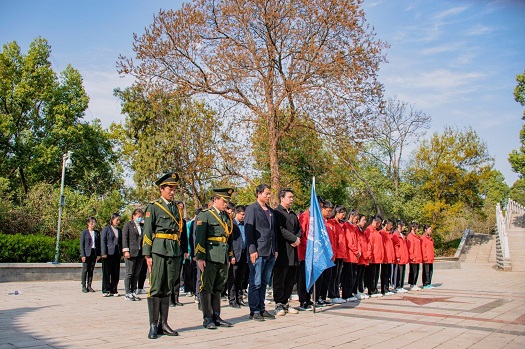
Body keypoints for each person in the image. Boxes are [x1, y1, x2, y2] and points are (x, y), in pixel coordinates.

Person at [142, 172, 186, 339]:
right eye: (169, 188)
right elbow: (147, 232)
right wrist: (147, 254)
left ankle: (164, 323)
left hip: (173, 250)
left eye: (174, 189)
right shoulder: (153, 207)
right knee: (156, 287)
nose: (172, 192)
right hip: (159, 250)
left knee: (168, 287)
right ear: (161, 189)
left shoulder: (176, 208)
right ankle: (153, 324)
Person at [195, 188, 235, 329]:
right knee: (206, 287)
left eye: (227, 201)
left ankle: (216, 316)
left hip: (222, 256)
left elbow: (228, 238)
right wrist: (200, 257)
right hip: (210, 255)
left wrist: (229, 256)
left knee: (218, 287)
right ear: (216, 199)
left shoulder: (226, 216)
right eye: (224, 201)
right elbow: (199, 237)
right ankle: (207, 318)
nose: (226, 204)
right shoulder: (205, 215)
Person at [244, 184, 278, 321]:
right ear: (258, 193)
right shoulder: (252, 209)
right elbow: (249, 231)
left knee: (264, 282)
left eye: (269, 194)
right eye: (266, 194)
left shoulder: (270, 211)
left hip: (269, 251)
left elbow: (273, 232)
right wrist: (252, 249)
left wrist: (275, 249)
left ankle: (262, 308)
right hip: (258, 251)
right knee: (256, 281)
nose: (268, 196)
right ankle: (254, 310)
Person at [273, 188, 302, 316]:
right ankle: (278, 303)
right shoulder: (276, 213)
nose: (292, 199)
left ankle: (286, 302)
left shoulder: (293, 214)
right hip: (283, 250)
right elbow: (279, 230)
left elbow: (299, 229)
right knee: (280, 277)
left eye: (292, 197)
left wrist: (297, 238)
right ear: (282, 198)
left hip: (294, 250)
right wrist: (293, 238)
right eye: (289, 197)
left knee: (290, 278)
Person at [122, 208, 145, 301]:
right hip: (131, 252)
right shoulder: (128, 225)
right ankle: (128, 292)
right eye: (138, 216)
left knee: (136, 273)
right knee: (129, 273)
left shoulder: (142, 226)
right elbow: (125, 238)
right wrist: (126, 250)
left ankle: (133, 291)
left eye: (141, 216)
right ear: (133, 216)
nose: (140, 218)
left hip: (140, 252)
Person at [228, 205, 248, 308]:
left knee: (241, 278)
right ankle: (232, 300)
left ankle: (239, 298)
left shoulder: (245, 224)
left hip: (244, 254)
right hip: (235, 254)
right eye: (242, 214)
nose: (244, 216)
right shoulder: (232, 224)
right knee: (233, 278)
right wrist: (231, 255)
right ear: (237, 213)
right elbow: (229, 241)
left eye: (245, 214)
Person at [170, 201, 188, 307]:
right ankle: (169, 299)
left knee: (177, 275)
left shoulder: (183, 222)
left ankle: (176, 298)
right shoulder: (172, 219)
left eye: (182, 208)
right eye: (179, 207)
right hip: (171, 250)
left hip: (179, 250)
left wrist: (185, 250)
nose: (180, 209)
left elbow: (185, 237)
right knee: (171, 276)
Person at [329, 205, 347, 304]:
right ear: (336, 213)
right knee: (334, 275)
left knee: (338, 275)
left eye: (344, 214)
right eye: (342, 213)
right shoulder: (332, 223)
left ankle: (336, 294)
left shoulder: (342, 224)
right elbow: (334, 239)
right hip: (335, 253)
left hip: (341, 253)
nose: (343, 215)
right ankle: (332, 294)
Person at [101, 213, 122, 297]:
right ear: (112, 220)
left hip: (116, 253)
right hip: (108, 253)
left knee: (115, 272)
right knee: (106, 272)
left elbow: (121, 242)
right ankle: (106, 290)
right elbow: (103, 241)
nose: (118, 221)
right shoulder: (106, 229)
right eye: (117, 220)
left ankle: (114, 289)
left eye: (119, 220)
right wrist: (103, 252)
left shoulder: (119, 230)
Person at [342, 210, 360, 302]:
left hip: (354, 257)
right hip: (349, 256)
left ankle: (350, 293)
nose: (357, 221)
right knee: (348, 276)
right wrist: (356, 251)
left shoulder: (353, 227)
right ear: (351, 216)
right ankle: (346, 294)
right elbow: (350, 242)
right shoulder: (347, 226)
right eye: (356, 219)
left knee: (353, 275)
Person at [80, 217, 101, 293]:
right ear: (88, 223)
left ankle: (89, 285)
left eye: (94, 222)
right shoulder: (84, 232)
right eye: (91, 222)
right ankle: (83, 286)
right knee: (85, 270)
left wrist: (98, 254)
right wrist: (83, 255)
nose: (93, 224)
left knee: (91, 270)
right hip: (87, 253)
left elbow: (98, 244)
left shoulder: (97, 233)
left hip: (94, 252)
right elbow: (82, 244)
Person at [365, 215, 383, 298]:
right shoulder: (369, 230)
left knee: (376, 274)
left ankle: (374, 288)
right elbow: (369, 244)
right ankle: (371, 289)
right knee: (371, 275)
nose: (378, 225)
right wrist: (369, 256)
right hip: (373, 257)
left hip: (378, 256)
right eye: (378, 223)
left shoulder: (376, 231)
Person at [354, 214, 371, 300]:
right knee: (357, 275)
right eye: (363, 220)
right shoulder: (356, 230)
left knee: (361, 275)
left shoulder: (362, 231)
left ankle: (360, 290)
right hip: (359, 256)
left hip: (364, 256)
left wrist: (367, 253)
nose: (365, 222)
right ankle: (356, 291)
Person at [391, 220, 408, 293]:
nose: (404, 227)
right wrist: (397, 256)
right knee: (397, 272)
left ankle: (401, 286)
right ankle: (396, 286)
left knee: (402, 272)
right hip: (399, 257)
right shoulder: (395, 234)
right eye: (403, 225)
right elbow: (396, 247)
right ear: (399, 225)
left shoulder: (402, 235)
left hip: (403, 256)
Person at [380, 219, 395, 296]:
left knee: (388, 273)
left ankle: (387, 288)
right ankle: (384, 288)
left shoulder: (390, 234)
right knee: (384, 273)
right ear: (386, 224)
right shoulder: (382, 233)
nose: (391, 227)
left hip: (390, 256)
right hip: (385, 256)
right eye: (390, 225)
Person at [407, 222, 422, 291]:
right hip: (413, 257)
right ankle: (412, 284)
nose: (418, 229)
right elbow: (410, 247)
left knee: (416, 271)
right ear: (413, 228)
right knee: (413, 271)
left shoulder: (416, 236)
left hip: (417, 256)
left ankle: (414, 283)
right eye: (417, 228)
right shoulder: (410, 236)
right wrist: (412, 256)